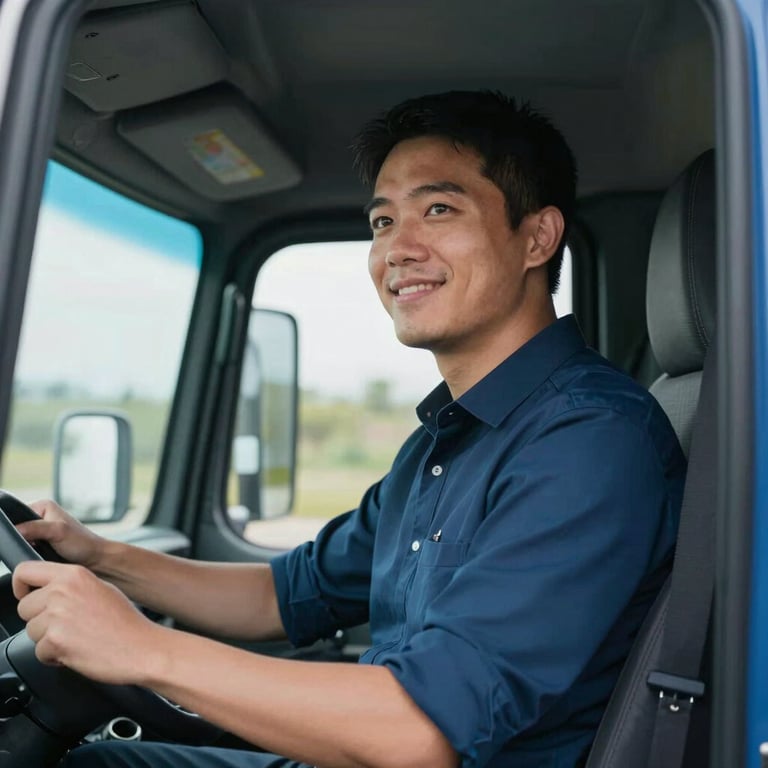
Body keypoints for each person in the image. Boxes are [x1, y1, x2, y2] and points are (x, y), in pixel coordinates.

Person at [13, 90, 686, 768]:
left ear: (537, 237)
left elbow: (420, 732)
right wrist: (98, 557)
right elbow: (287, 593)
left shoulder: (588, 442)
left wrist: (143, 649)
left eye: (439, 209)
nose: (398, 249)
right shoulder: (442, 442)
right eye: (383, 221)